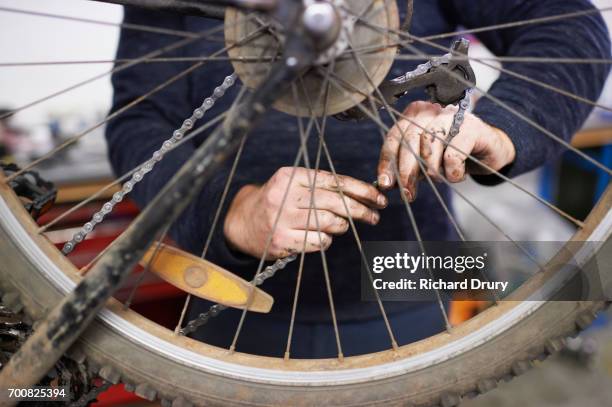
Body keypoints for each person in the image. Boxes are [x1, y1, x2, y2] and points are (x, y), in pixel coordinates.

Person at [106, 1, 610, 357]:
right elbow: (138, 122)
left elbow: (572, 30)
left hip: (416, 270)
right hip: (228, 286)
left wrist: (500, 128)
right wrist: (229, 211)